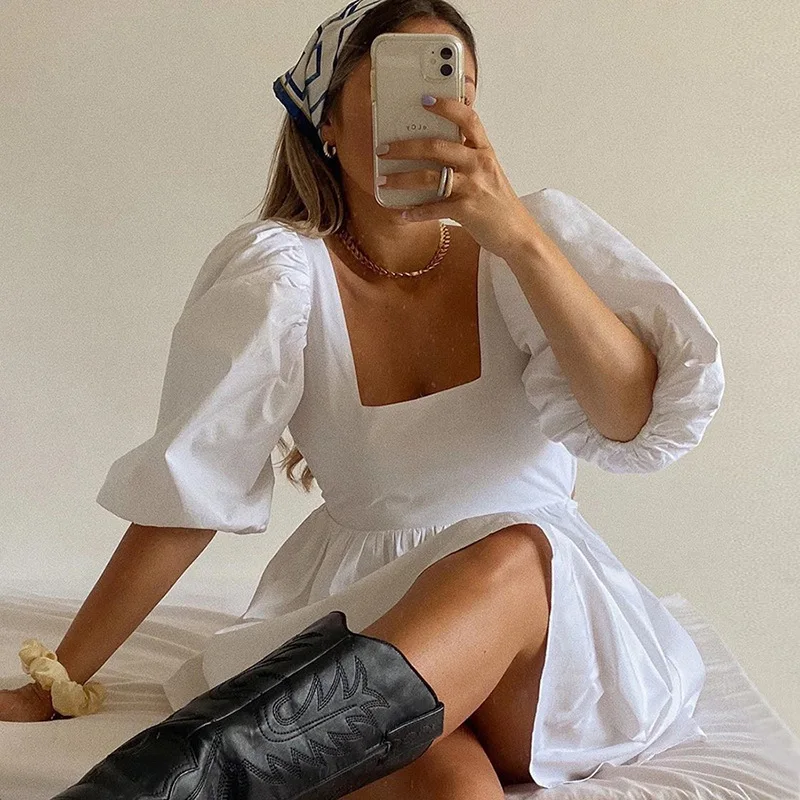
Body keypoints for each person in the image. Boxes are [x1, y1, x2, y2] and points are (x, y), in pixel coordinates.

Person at [2, 0, 726, 797]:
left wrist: (518, 237)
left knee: (514, 550)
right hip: (371, 616)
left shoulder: (527, 246)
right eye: (393, 91)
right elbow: (193, 490)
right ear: (328, 124)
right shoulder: (282, 275)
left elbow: (630, 421)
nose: (427, 112)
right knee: (455, 790)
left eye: (452, 91)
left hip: (543, 632)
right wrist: (60, 677)